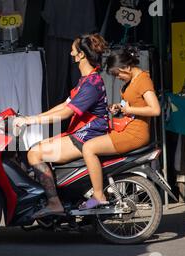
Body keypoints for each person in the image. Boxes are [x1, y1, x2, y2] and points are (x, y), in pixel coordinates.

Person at [13, 33, 109, 218]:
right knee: (38, 147)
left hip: (87, 136)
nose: (71, 52)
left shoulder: (91, 84)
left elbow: (66, 113)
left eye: (74, 49)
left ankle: (54, 203)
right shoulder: (87, 80)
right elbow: (65, 105)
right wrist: (31, 117)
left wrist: (30, 121)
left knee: (35, 153)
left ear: (81, 55)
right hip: (82, 133)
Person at [79, 48, 161, 209]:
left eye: (118, 74)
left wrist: (129, 110)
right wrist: (120, 107)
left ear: (127, 67)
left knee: (88, 148)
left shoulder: (143, 80)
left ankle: (98, 195)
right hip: (126, 129)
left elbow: (155, 109)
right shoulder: (133, 80)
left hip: (135, 134)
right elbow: (133, 104)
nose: (118, 78)